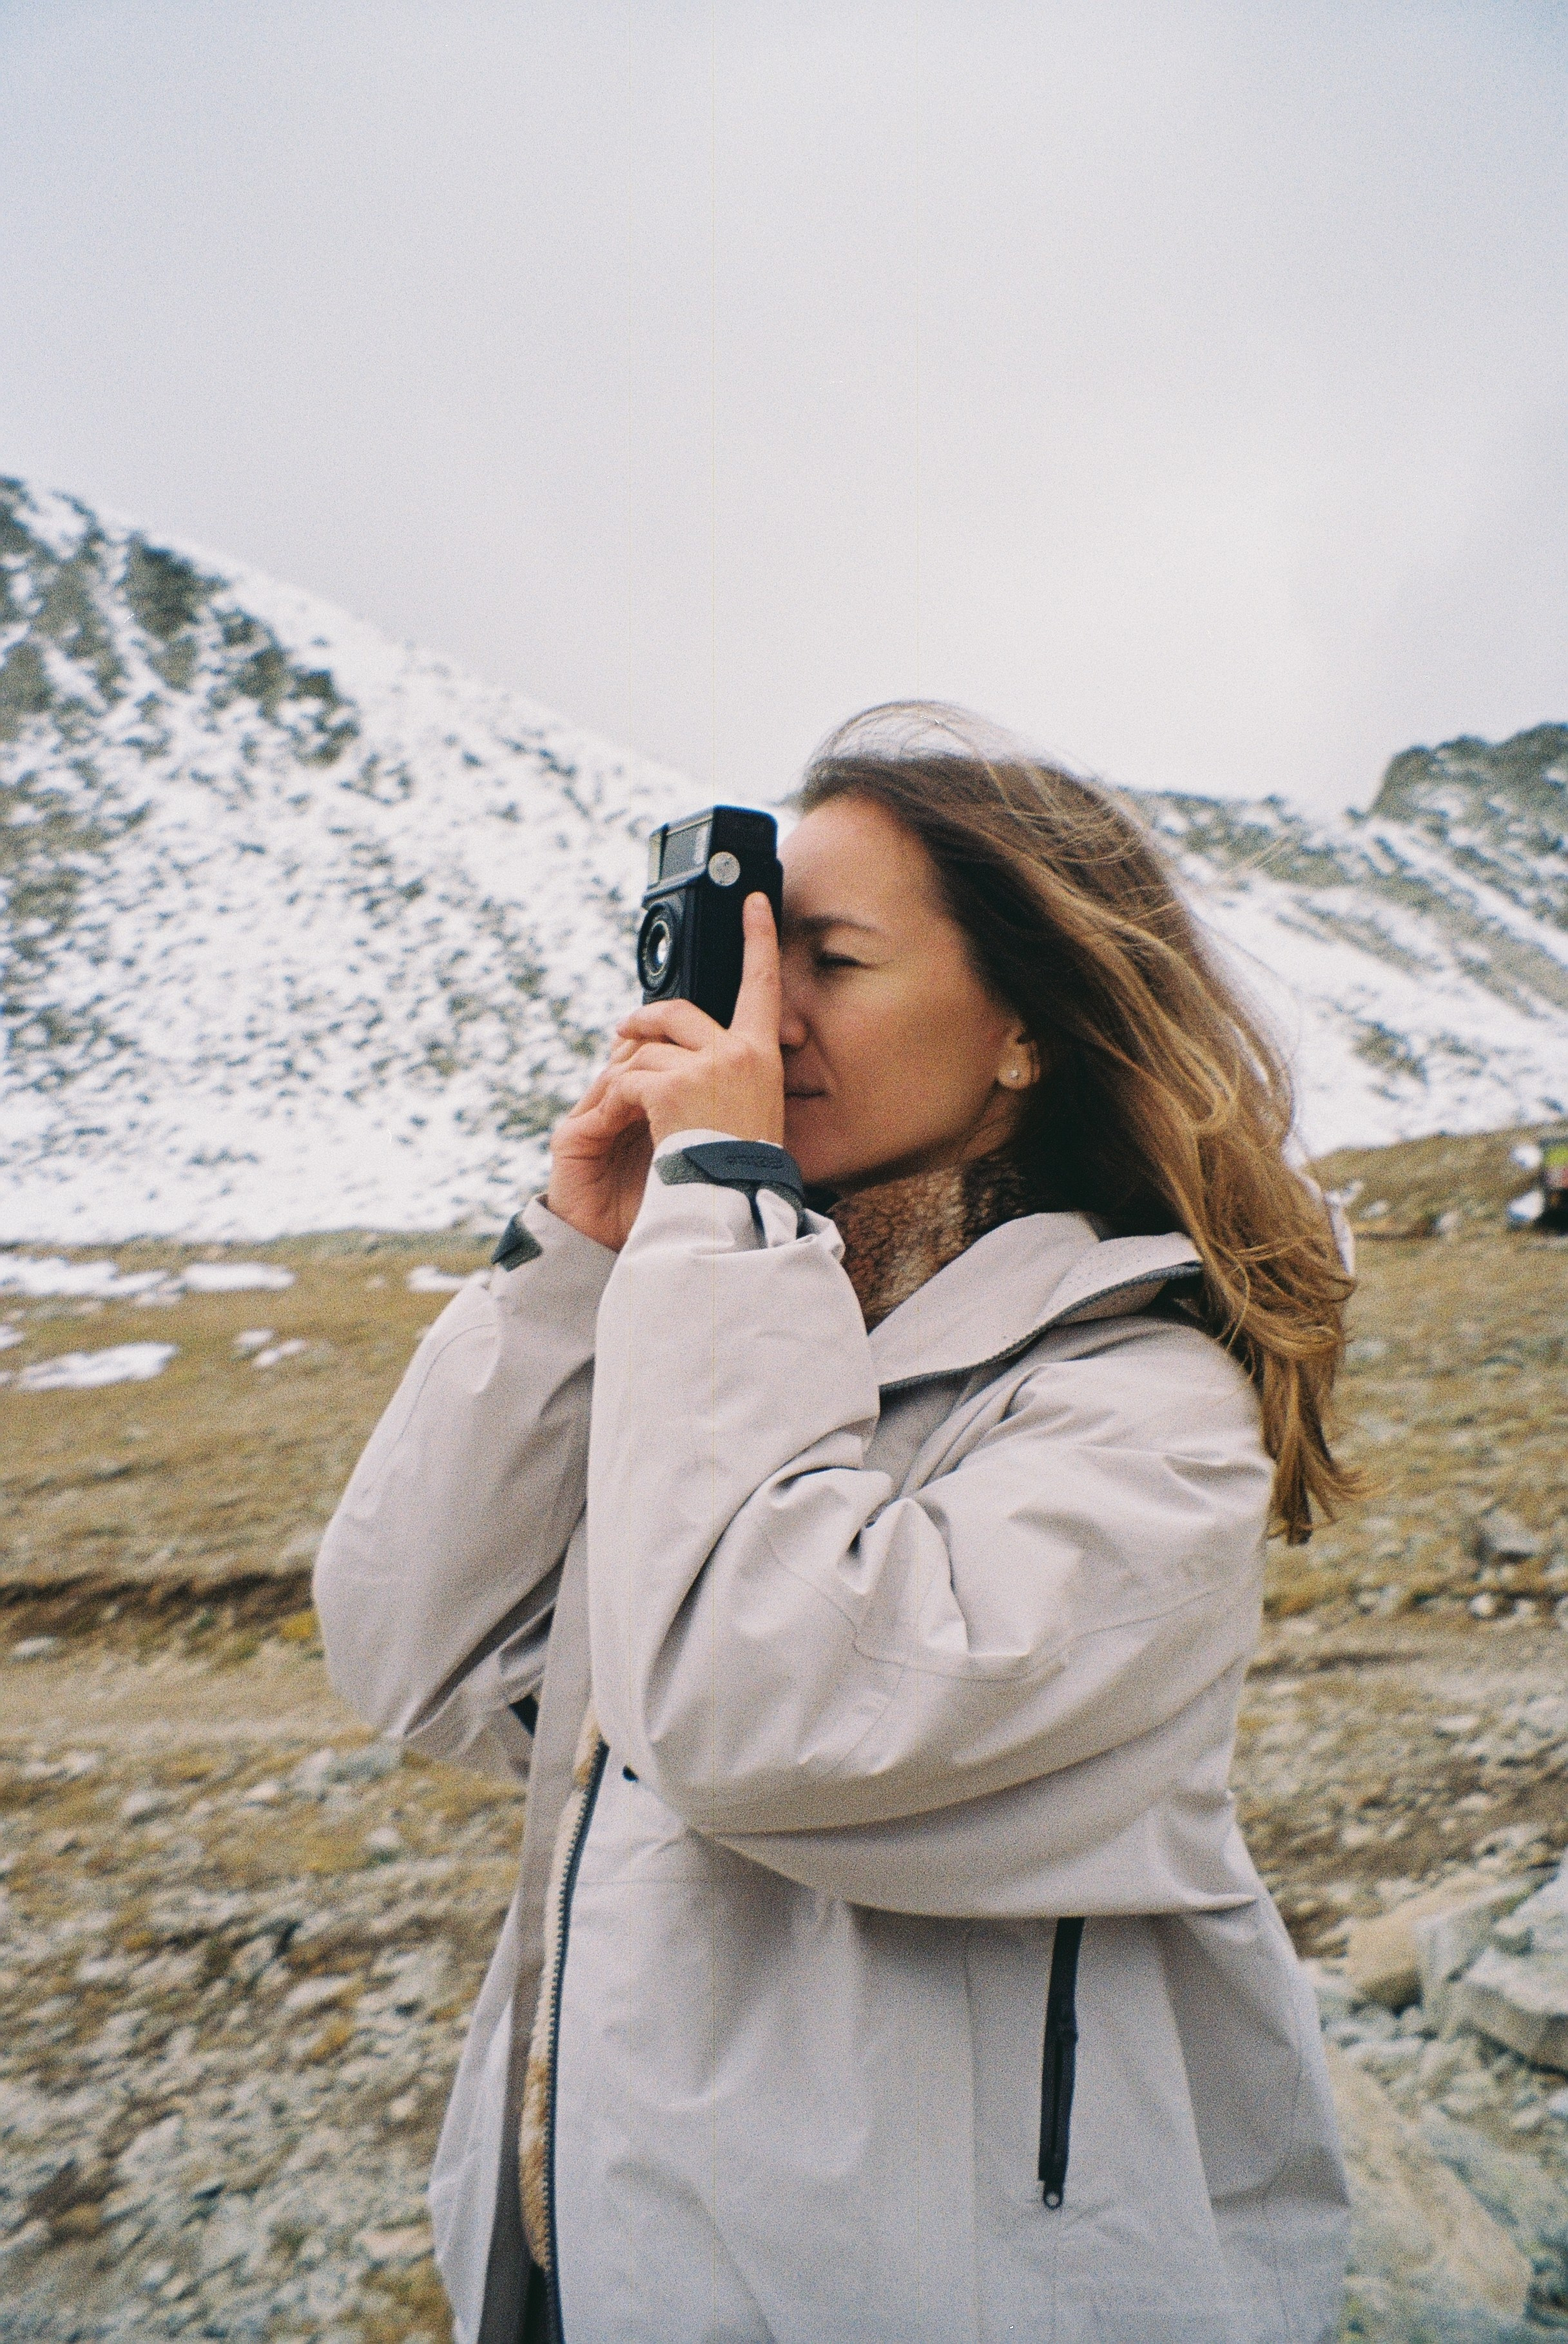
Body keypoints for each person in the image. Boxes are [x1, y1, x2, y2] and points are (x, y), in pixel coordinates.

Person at [315, 704, 1355, 2344]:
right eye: (743, 953)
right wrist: (578, 1256)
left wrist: (724, 1201)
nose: (755, 1011)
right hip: (610, 2268)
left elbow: (760, 1715)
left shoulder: (1141, 1404)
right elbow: (417, 1652)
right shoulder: (739, 1326)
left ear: (1024, 1028)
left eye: (830, 961)